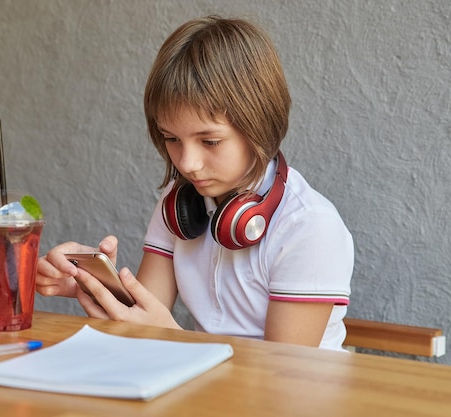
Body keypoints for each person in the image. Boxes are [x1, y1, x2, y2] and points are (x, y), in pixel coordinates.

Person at [36, 16, 354, 350]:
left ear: (259, 126)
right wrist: (97, 286)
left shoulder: (309, 226)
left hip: (291, 399)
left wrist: (170, 336)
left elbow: (281, 377)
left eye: (210, 141)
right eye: (171, 138)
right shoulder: (179, 208)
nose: (187, 163)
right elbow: (144, 322)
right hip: (208, 393)